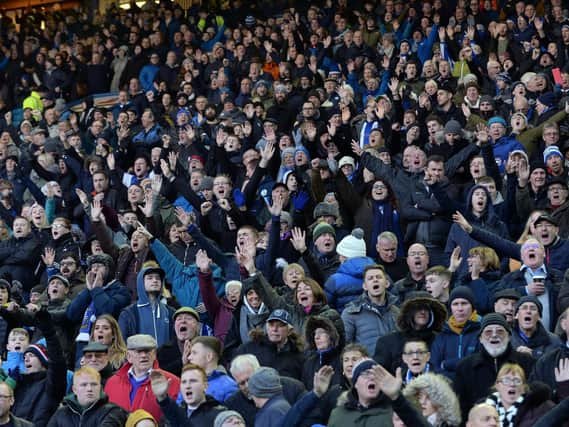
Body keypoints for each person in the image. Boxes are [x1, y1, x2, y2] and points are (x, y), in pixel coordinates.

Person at [454, 313, 535, 420]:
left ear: (509, 336)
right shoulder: (465, 367)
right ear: (480, 339)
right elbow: (461, 408)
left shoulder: (526, 361)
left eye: (500, 331)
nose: (494, 335)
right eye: (488, 332)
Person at [104, 334, 180, 422]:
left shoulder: (172, 382)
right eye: (139, 351)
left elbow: (178, 419)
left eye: (147, 351)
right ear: (129, 356)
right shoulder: (112, 383)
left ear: (154, 354)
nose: (143, 355)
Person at [13, 309, 67, 427]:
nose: (26, 359)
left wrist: (50, 334)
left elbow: (57, 363)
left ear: (43, 361)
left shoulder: (51, 385)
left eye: (31, 356)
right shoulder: (19, 384)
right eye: (25, 357)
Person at [374, 292, 447, 374]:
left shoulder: (441, 341)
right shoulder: (387, 342)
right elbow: (378, 374)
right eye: (418, 307)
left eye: (426, 308)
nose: (423, 311)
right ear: (408, 312)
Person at [341, 264, 399, 354]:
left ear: (387, 283)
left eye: (379, 277)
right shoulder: (351, 313)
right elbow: (345, 346)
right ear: (365, 286)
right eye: (370, 278)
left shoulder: (396, 311)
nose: (375, 280)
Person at [234, 309, 305, 380]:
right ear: (266, 327)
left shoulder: (298, 356)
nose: (274, 329)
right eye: (271, 325)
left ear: (290, 331)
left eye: (280, 325)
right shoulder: (249, 349)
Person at [47, 366, 128, 426]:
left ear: (100, 387)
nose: (89, 389)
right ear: (74, 389)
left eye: (94, 384)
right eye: (84, 385)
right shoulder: (61, 413)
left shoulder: (112, 411)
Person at [150, 363, 226, 426]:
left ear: (205, 386)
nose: (188, 386)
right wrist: (162, 398)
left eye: (193, 381)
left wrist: (165, 401)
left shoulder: (219, 415)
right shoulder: (168, 416)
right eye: (184, 382)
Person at [430, 286, 481, 380]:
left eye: (464, 303)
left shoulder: (481, 332)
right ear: (451, 308)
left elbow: (481, 364)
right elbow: (435, 368)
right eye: (455, 304)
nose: (460, 308)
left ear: (472, 307)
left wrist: (446, 364)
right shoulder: (442, 335)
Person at [118, 265, 175, 346]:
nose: (155, 280)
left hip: (166, 358)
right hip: (139, 358)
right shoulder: (128, 314)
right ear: (141, 282)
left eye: (158, 278)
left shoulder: (170, 312)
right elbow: (122, 344)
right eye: (150, 278)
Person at [485, 363, 556, 427]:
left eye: (517, 381)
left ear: (523, 387)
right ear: (497, 386)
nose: (512, 384)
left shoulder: (542, 407)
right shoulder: (483, 409)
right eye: (506, 380)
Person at [188, 336, 238, 403]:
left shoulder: (228, 387)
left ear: (209, 357)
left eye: (194, 353)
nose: (189, 357)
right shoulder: (187, 383)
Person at [157, 307, 201, 377]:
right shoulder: (163, 350)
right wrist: (182, 362)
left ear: (198, 326)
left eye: (188, 318)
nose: (183, 321)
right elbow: (160, 375)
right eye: (179, 319)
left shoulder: (207, 347)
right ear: (174, 327)